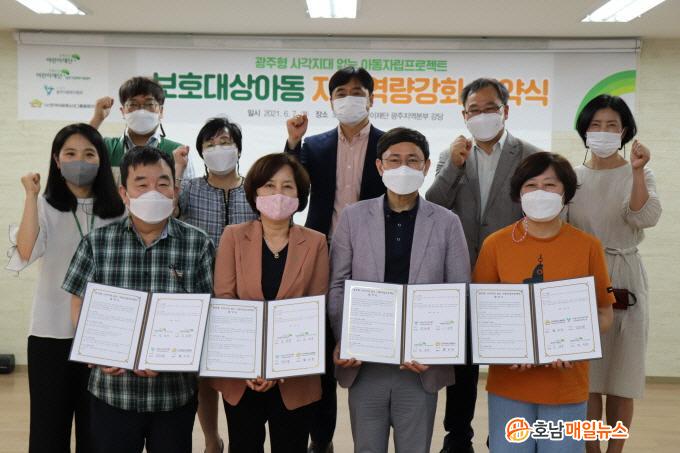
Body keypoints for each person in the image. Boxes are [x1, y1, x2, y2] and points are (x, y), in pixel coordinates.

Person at [62, 146, 215, 453]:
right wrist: (97, 348)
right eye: (142, 184)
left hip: (173, 394)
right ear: (124, 193)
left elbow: (208, 313)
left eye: (162, 183)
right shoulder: (97, 243)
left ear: (175, 190)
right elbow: (79, 302)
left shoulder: (198, 244)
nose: (153, 192)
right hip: (112, 393)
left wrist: (171, 357)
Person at [329, 127, 471, 453]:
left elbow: (459, 291)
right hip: (365, 362)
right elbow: (337, 284)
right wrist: (345, 338)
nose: (403, 167)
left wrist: (436, 348)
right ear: (379, 166)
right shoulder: (353, 217)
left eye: (412, 160)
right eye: (394, 160)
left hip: (420, 365)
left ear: (426, 166)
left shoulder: (447, 222)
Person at [425, 77, 541, 453]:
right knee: (462, 364)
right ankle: (458, 436)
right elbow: (433, 206)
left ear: (505, 111)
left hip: (509, 276)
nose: (482, 115)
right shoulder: (453, 155)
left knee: (508, 361)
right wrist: (454, 167)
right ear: (464, 115)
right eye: (473, 110)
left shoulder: (530, 156)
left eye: (490, 108)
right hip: (462, 274)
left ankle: (503, 433)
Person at [474, 152, 615, 452]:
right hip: (509, 384)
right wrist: (504, 347)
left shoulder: (587, 246)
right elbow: (480, 312)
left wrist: (575, 343)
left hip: (566, 384)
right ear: (518, 193)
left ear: (566, 193)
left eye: (550, 185)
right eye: (531, 185)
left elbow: (605, 312)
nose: (540, 192)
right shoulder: (495, 244)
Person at [7, 123, 125, 453]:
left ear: (102, 160)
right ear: (57, 161)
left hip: (103, 336)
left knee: (97, 433)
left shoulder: (119, 211)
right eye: (70, 154)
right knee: (48, 432)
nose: (80, 161)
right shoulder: (44, 206)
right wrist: (31, 196)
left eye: (89, 154)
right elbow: (25, 252)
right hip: (51, 334)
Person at [285, 66, 386, 453]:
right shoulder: (315, 146)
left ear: (371, 99)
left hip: (372, 256)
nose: (349, 98)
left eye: (357, 91)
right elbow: (296, 196)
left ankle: (371, 434)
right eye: (341, 92)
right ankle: (322, 439)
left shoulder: (387, 144)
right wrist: (293, 143)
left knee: (368, 343)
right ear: (331, 101)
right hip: (323, 253)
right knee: (322, 349)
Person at [210, 153, 329, 453]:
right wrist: (252, 365)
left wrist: (278, 367)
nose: (278, 193)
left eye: (288, 186)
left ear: (299, 196)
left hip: (294, 373)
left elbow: (315, 309)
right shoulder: (233, 236)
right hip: (242, 374)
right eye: (269, 185)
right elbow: (225, 300)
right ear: (254, 192)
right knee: (244, 446)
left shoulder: (316, 242)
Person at [568, 95, 661, 453]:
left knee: (624, 378)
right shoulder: (573, 178)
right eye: (596, 125)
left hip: (626, 276)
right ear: (584, 130)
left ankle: (615, 451)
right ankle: (591, 450)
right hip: (583, 278)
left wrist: (636, 171)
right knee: (588, 379)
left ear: (624, 132)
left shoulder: (640, 173)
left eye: (611, 125)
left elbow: (643, 217)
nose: (603, 131)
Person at [174, 116, 257, 453]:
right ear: (201, 152)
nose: (218, 149)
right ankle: (211, 439)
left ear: (238, 149)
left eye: (225, 142)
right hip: (199, 293)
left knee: (240, 373)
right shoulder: (190, 188)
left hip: (246, 297)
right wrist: (177, 170)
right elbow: (169, 212)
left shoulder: (254, 189)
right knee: (203, 377)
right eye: (210, 144)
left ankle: (242, 439)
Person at [89, 76, 192, 183]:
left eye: (149, 104)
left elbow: (186, 192)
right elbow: (81, 161)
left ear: (161, 111)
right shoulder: (106, 148)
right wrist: (97, 119)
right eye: (133, 104)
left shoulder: (178, 154)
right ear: (122, 111)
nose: (141, 111)